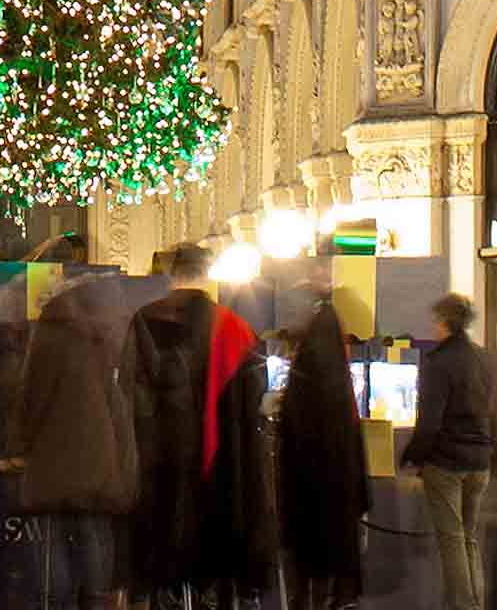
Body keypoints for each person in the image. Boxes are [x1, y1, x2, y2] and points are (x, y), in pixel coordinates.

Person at [122, 247, 267, 610]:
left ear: (171, 274)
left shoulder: (143, 320)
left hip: (156, 467)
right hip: (218, 471)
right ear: (207, 272)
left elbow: (127, 392)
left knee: (159, 563)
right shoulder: (234, 328)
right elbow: (254, 399)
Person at [0, 266, 141, 610]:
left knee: (54, 550)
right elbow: (117, 398)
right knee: (94, 539)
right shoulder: (108, 332)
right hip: (99, 456)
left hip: (55, 457)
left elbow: (34, 394)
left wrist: (18, 445)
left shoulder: (50, 331)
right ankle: (98, 602)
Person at [398, 297, 495, 610]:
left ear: (445, 322)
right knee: (469, 538)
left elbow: (429, 422)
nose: (432, 327)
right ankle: (475, 603)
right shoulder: (483, 359)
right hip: (480, 462)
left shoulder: (438, 363)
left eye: (435, 320)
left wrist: (412, 458)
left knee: (451, 540)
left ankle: (463, 606)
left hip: (447, 463)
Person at [274, 299, 371, 610]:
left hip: (303, 499)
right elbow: (356, 449)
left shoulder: (300, 385)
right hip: (339, 502)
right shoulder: (343, 391)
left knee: (304, 571)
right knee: (335, 568)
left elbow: (286, 441)